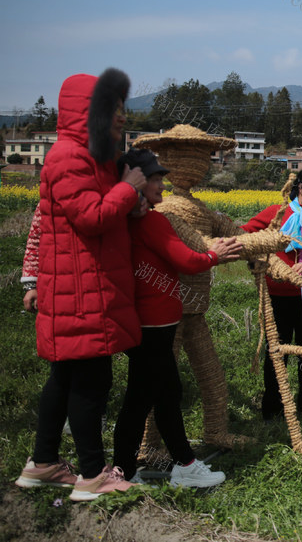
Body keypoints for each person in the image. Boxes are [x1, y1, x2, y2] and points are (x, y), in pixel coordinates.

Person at [16, 69, 148, 501]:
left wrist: (129, 194)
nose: (122, 119)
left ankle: (43, 463)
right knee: (91, 382)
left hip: (82, 287)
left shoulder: (91, 156)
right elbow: (91, 218)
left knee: (64, 379)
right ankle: (93, 475)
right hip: (81, 291)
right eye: (115, 110)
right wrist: (128, 189)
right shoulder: (68, 158)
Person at [112, 148, 242, 487]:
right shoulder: (154, 221)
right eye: (153, 178)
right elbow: (186, 259)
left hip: (149, 321)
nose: (161, 183)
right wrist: (217, 254)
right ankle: (127, 470)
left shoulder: (130, 219)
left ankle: (181, 464)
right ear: (136, 183)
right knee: (143, 398)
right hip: (154, 324)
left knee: (165, 394)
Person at [242, 167, 302, 420]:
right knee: (277, 352)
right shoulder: (278, 213)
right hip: (277, 295)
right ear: (301, 188)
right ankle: (272, 408)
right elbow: (247, 231)